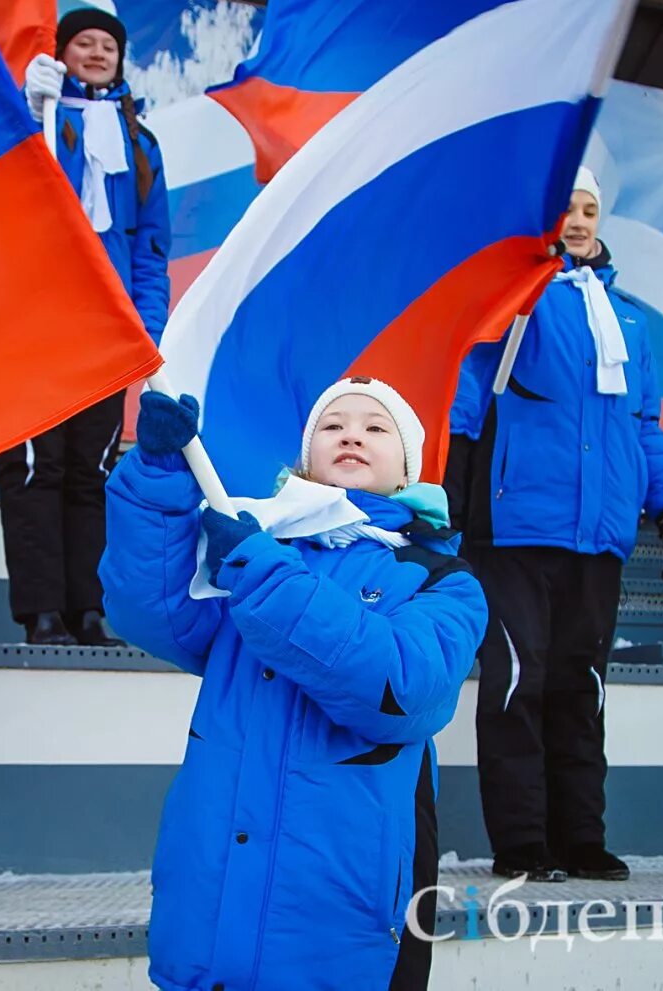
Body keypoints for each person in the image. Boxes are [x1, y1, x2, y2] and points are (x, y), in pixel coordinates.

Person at [102, 378, 486, 991]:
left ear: (408, 467)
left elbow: (402, 689)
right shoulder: (256, 541)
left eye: (375, 427)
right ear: (306, 457)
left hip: (340, 920)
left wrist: (262, 569)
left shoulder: (440, 577)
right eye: (332, 426)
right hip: (212, 895)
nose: (352, 433)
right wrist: (155, 479)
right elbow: (152, 612)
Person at [446, 166, 663, 884]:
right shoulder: (513, 297)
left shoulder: (631, 322)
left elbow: (644, 426)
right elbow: (468, 399)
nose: (579, 221)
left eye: (589, 209)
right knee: (515, 684)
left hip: (600, 536)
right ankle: (523, 842)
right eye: (566, 209)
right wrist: (454, 492)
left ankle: (581, 838)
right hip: (518, 524)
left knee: (580, 688)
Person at [0, 7, 170, 647]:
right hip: (37, 327)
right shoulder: (37, 123)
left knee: (91, 469)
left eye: (108, 45)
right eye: (84, 43)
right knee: (36, 465)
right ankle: (40, 610)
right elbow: (5, 192)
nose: (97, 53)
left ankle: (87, 607)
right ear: (62, 54)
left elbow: (150, 247)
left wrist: (146, 329)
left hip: (106, 330)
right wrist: (26, 109)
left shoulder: (140, 143)